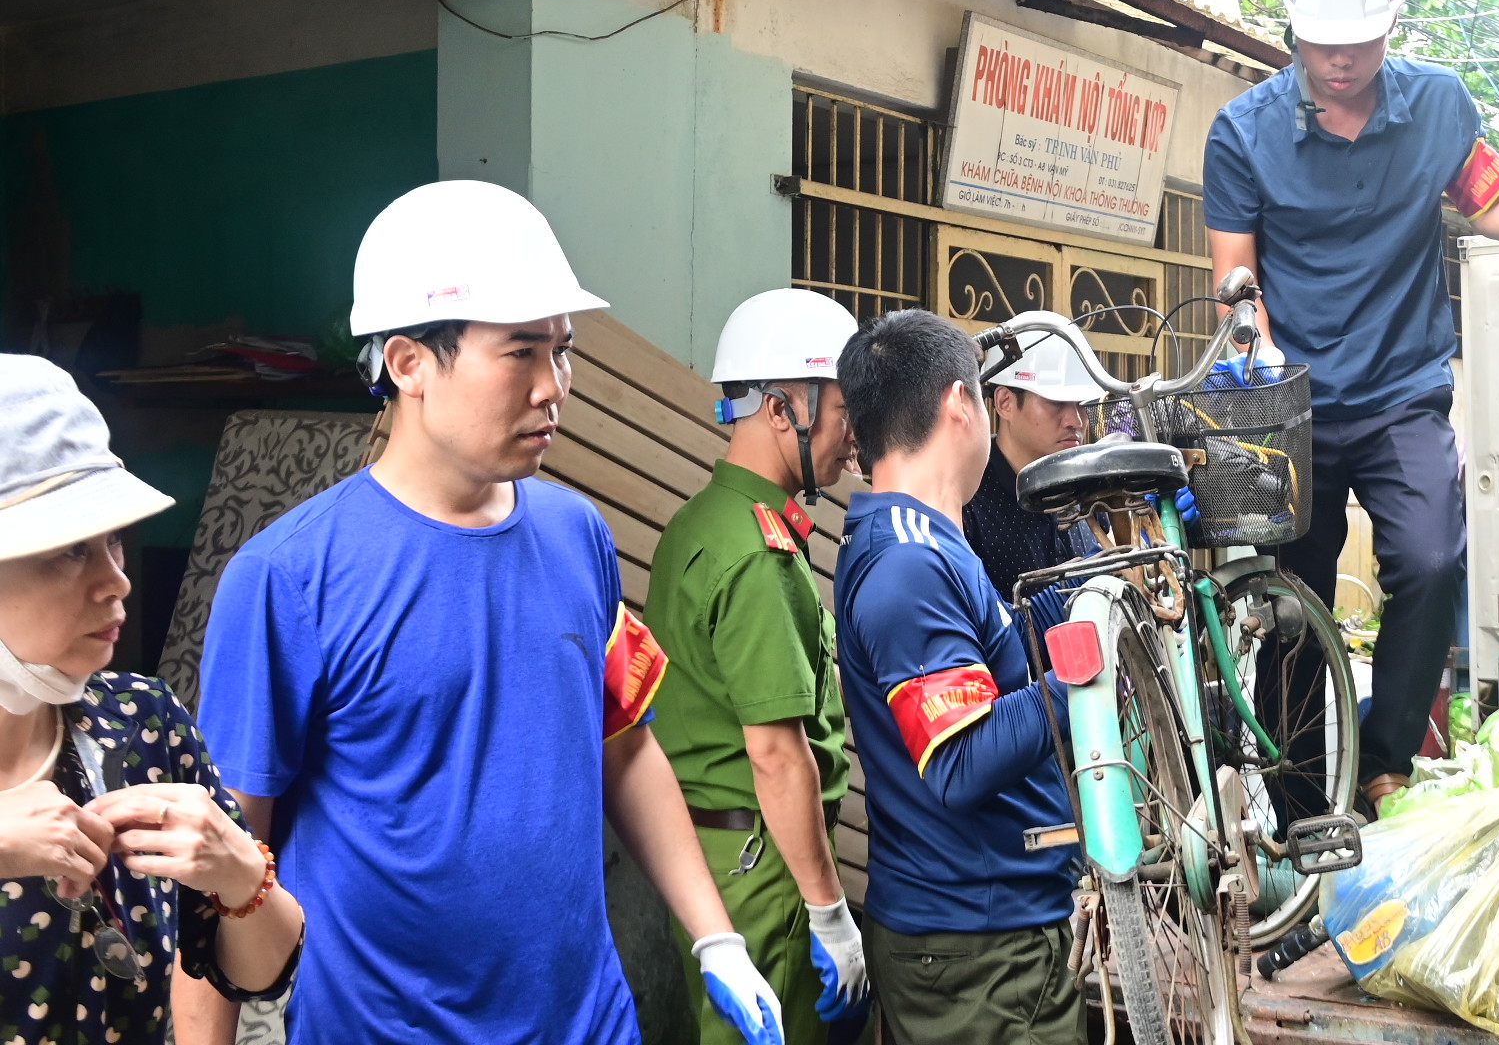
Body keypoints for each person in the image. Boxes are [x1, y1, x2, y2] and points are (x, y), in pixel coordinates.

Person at [189, 181, 783, 1045]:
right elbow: (222, 866)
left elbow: (624, 747)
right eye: (520, 353)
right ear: (408, 364)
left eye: (563, 350)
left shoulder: (577, 533)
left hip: (589, 1025)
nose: (555, 388)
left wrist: (715, 937)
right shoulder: (286, 580)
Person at [1203, 0, 1499, 817]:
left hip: (1402, 394)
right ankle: (1299, 803)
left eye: (1361, 41)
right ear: (1291, 22)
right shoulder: (1241, 131)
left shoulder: (1439, 106)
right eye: (1322, 42)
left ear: (1393, 20)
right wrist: (1257, 332)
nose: (1340, 60)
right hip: (1290, 407)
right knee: (1291, 605)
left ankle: (1385, 759)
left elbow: (1493, 201)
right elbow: (1234, 276)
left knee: (1431, 556)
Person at [0, 356, 305, 1041]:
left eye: (114, 542)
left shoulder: (140, 721)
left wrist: (236, 871)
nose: (118, 582)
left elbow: (262, 971)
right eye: (71, 551)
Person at [832, 309, 1083, 1045]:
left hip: (989, 933)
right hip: (978, 954)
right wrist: (1080, 676)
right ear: (960, 403)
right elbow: (962, 760)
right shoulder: (909, 565)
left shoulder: (933, 541)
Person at [645, 287, 867, 1045]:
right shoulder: (758, 558)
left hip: (718, 857)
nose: (853, 437)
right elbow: (776, 755)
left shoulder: (701, 520)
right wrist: (829, 912)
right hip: (766, 869)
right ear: (783, 410)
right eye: (842, 411)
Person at [962, 333, 1103, 609]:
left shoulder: (1092, 492)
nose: (1075, 420)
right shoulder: (968, 498)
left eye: (1082, 405)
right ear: (1005, 403)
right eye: (1056, 401)